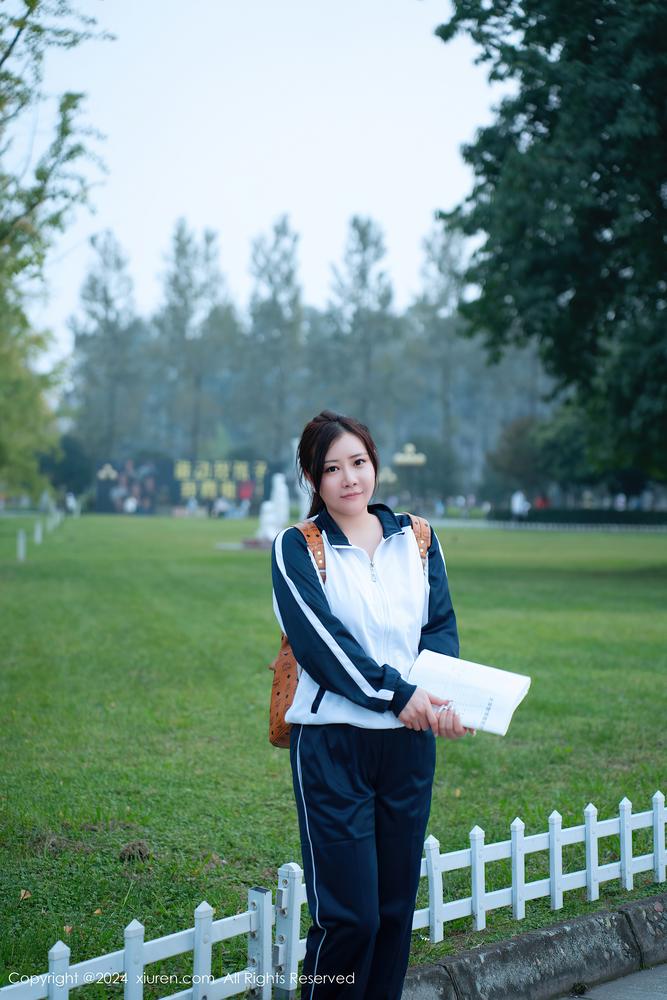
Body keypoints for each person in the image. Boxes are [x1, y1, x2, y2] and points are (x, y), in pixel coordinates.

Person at [271, 410, 472, 1000]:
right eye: (332, 468)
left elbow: (439, 629)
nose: (349, 478)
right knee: (349, 917)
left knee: (392, 912)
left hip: (408, 748)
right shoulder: (297, 546)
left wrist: (438, 700)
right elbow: (322, 644)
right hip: (332, 746)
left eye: (358, 462)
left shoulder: (418, 538)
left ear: (374, 463)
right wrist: (399, 694)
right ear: (313, 478)